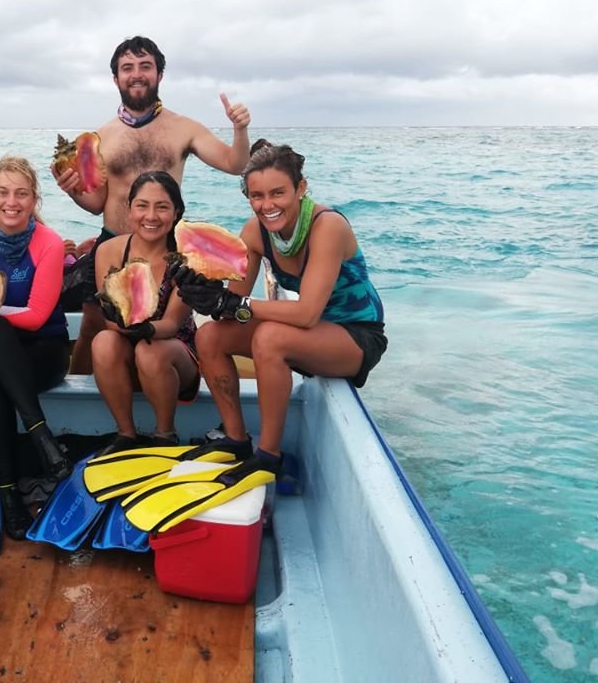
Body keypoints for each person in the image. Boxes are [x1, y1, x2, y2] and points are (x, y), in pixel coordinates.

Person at [172, 142, 388, 472]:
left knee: (269, 338)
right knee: (211, 337)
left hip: (356, 335)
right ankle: (236, 439)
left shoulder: (327, 226)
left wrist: (235, 303)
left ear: (300, 188)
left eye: (278, 193)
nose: (267, 205)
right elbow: (232, 306)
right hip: (309, 333)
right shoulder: (255, 233)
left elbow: (306, 313)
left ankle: (268, 456)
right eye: (257, 196)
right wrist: (201, 289)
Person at [54, 35, 252, 373]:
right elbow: (97, 202)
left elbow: (235, 164)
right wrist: (72, 190)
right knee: (92, 326)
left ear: (159, 74)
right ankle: (83, 395)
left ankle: (164, 387)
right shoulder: (102, 136)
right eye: (127, 68)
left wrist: (240, 129)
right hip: (112, 245)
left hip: (168, 248)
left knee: (164, 329)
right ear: (116, 78)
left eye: (145, 66)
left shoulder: (183, 128)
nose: (136, 74)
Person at [0, 155, 73, 539]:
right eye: (3, 192)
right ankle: (41, 437)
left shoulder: (49, 243)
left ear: (34, 199)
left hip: (43, 351)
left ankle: (9, 496)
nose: (12, 202)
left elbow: (38, 318)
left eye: (22, 194)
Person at [92, 171, 199, 447]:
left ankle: (165, 434)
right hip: (127, 348)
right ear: (129, 210)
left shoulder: (188, 258)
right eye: (142, 205)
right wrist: (127, 325)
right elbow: (110, 322)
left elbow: (173, 323)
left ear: (176, 212)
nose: (150, 216)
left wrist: (146, 328)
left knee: (149, 349)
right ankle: (126, 433)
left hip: (175, 354)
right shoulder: (108, 251)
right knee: (104, 342)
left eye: (162, 207)